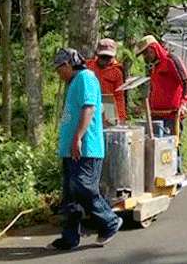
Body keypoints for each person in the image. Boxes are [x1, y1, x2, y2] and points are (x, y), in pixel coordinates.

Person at [47, 48, 122, 251]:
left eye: (59, 68)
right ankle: (69, 238)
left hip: (86, 147)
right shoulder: (74, 82)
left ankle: (109, 221)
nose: (58, 73)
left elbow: (89, 108)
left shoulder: (85, 77)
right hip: (71, 149)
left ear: (68, 64)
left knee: (83, 186)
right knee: (70, 196)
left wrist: (78, 138)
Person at [134, 35, 187, 175]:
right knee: (155, 149)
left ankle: (175, 177)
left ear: (153, 49)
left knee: (171, 147)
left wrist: (183, 103)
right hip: (154, 116)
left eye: (146, 53)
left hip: (171, 115)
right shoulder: (153, 66)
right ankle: (158, 177)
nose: (145, 57)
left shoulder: (171, 60)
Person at [86, 38, 127, 124]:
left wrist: (121, 117)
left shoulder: (117, 72)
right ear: (97, 54)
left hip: (109, 106)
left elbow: (119, 96)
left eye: (108, 57)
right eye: (103, 57)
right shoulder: (88, 66)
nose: (105, 60)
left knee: (108, 131)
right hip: (91, 104)